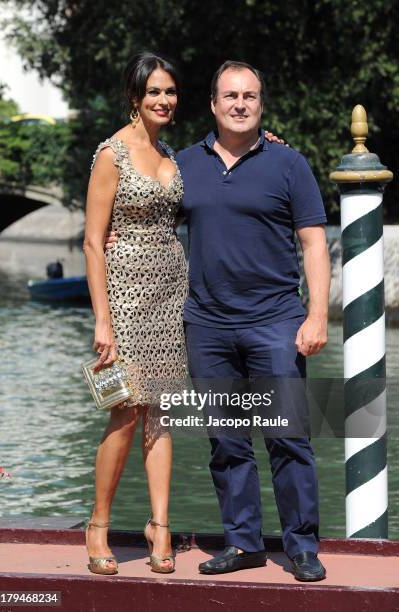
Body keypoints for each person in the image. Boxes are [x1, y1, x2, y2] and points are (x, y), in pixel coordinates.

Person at [106, 59, 329, 582]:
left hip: (276, 320)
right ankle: (244, 543)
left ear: (261, 103)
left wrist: (316, 313)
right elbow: (152, 215)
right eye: (230, 96)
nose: (240, 104)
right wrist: (120, 239)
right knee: (227, 442)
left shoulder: (289, 164)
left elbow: (314, 242)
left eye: (249, 96)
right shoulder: (185, 164)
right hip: (206, 324)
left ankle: (301, 546)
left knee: (288, 437)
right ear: (213, 104)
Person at [83, 51, 187, 575]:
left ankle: (159, 526)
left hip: (170, 297)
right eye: (154, 92)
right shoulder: (112, 153)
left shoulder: (169, 151)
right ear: (135, 97)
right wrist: (103, 321)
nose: (164, 100)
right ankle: (98, 524)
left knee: (163, 415)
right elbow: (92, 242)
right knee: (123, 413)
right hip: (123, 299)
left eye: (170, 92)